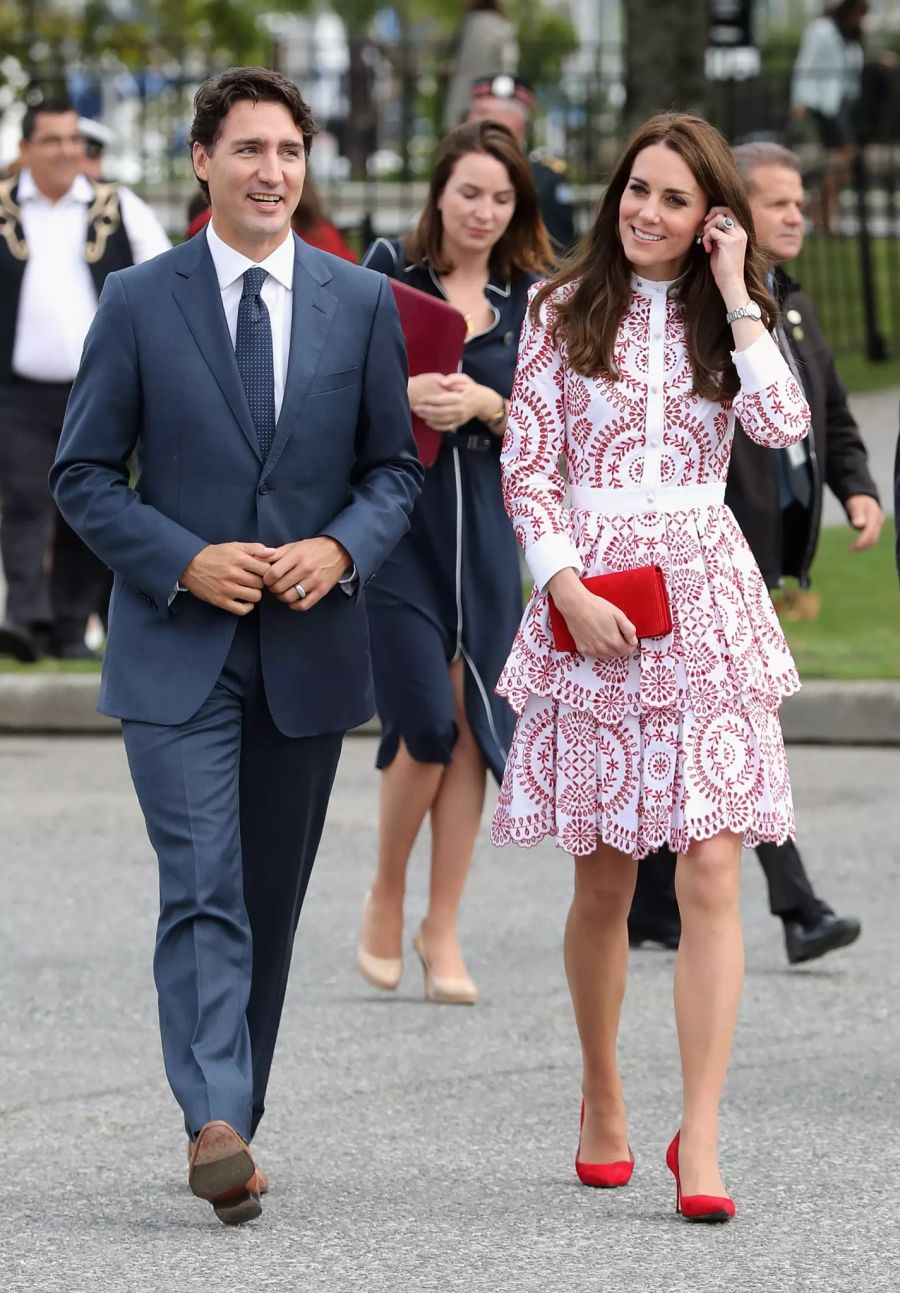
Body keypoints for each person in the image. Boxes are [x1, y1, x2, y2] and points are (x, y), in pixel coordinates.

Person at [50, 67, 421, 1225]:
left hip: (307, 654)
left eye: (290, 151)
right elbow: (81, 477)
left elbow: (394, 470)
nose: (273, 171)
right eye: (250, 149)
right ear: (203, 163)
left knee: (267, 895)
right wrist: (182, 558)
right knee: (202, 884)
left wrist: (340, 548)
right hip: (176, 651)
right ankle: (211, 1116)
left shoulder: (357, 305)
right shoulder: (138, 300)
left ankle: (233, 1121)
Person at [493, 113, 811, 1221]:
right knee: (606, 882)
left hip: (708, 601)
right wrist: (565, 588)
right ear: (616, 191)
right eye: (639, 190)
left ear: (708, 214)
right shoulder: (552, 308)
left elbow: (783, 425)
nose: (649, 213)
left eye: (677, 200)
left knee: (714, 870)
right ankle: (601, 1091)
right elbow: (527, 468)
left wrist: (736, 285)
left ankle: (705, 1138)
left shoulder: (731, 321)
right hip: (594, 597)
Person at [630, 141, 882, 965]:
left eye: (800, 204)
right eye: (777, 203)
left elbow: (824, 411)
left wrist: (856, 484)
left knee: (706, 731)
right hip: (708, 547)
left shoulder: (788, 304)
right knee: (738, 735)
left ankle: (654, 901)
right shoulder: (695, 312)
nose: (795, 218)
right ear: (729, 212)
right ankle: (797, 907)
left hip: (764, 549)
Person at [357, 121, 551, 1005]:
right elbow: (327, 384)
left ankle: (441, 924)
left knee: (474, 723)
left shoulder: (534, 301)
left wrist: (489, 402)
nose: (484, 211)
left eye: (502, 198)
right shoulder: (389, 273)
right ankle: (385, 892)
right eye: (470, 191)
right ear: (441, 191)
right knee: (427, 723)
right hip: (398, 529)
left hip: (488, 540)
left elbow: (561, 428)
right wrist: (401, 395)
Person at [0, 99, 170, 664]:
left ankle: (72, 626)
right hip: (18, 390)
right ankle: (25, 621)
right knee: (25, 500)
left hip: (99, 390)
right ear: (25, 150)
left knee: (90, 502)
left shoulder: (117, 206)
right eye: (51, 141)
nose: (65, 151)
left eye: (73, 140)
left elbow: (162, 277)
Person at [467, 73, 576, 255]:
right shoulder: (461, 167)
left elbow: (558, 251)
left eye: (482, 113)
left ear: (515, 121)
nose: (471, 119)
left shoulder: (543, 178)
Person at [791, 1, 868, 232]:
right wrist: (798, 101)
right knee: (845, 154)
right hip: (822, 102)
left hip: (842, 103)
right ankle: (821, 209)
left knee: (842, 160)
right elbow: (805, 62)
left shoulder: (849, 35)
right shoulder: (822, 29)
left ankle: (821, 208)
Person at [186, 172, 358, 262]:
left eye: (289, 152)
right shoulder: (322, 230)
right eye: (249, 150)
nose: (272, 176)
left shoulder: (322, 234)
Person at [444, 0, 517, 132]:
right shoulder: (501, 25)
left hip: (471, 102)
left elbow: (469, 66)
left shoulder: (475, 25)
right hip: (491, 100)